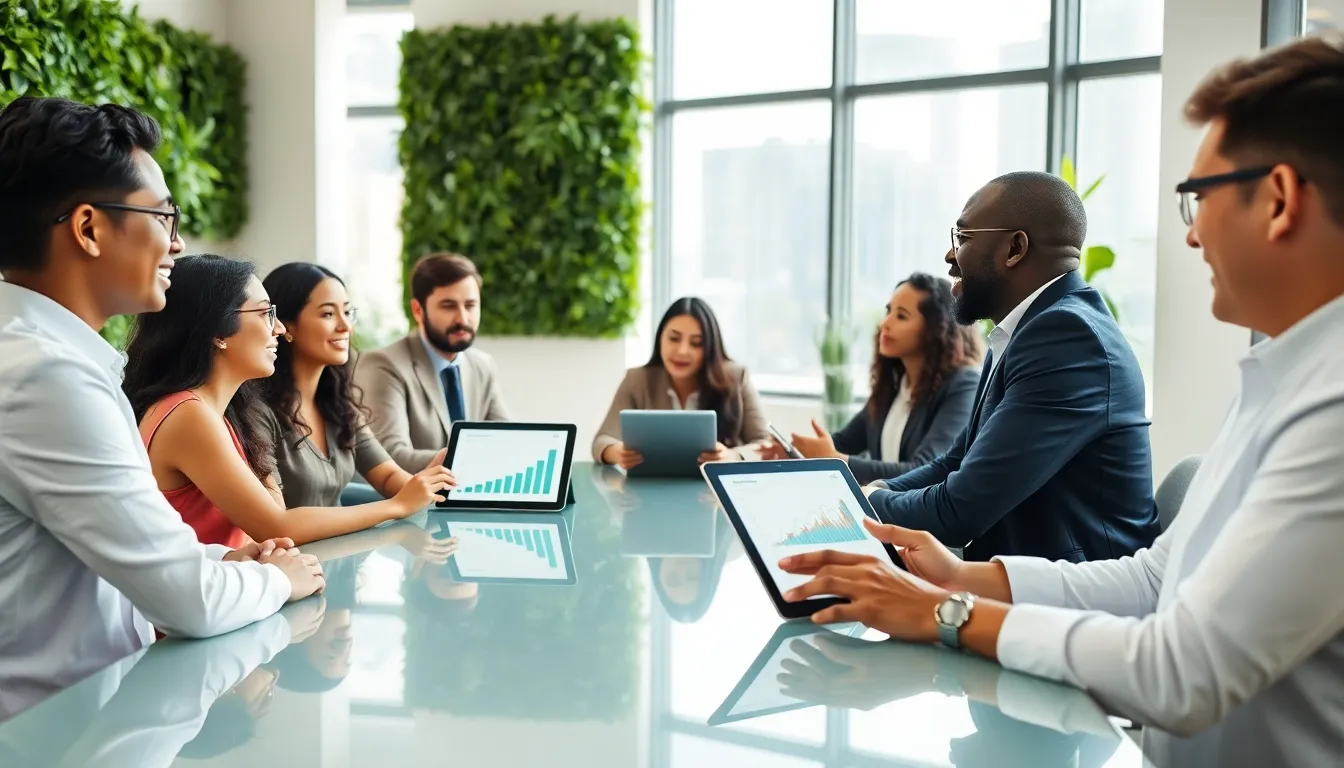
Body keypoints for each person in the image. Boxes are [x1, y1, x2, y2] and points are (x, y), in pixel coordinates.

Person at [779, 37, 1344, 767]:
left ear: (1279, 200)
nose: (1193, 233)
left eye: (1198, 197)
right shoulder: (1280, 380)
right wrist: (961, 577)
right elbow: (1154, 577)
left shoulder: (1329, 409)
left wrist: (949, 612)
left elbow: (1184, 671)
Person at [0, 97, 323, 719]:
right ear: (89, 228)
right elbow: (187, 602)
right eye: (163, 216)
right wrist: (277, 579)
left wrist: (224, 561)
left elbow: (119, 551)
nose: (178, 243)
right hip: (57, 733)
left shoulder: (51, 359)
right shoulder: (46, 377)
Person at [864, 172, 1159, 562]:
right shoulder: (1022, 331)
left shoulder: (1066, 337)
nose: (950, 255)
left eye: (963, 237)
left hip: (1074, 589)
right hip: (1021, 577)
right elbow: (956, 461)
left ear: (1014, 248)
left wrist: (862, 504)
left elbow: (960, 509)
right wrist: (878, 491)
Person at [121, 254, 456, 547]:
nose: (278, 328)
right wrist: (397, 505)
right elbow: (277, 526)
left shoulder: (221, 413)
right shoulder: (188, 416)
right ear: (219, 332)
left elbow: (270, 520)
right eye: (266, 314)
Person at [760, 272, 982, 484]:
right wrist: (796, 452)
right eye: (888, 311)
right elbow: (844, 442)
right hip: (883, 505)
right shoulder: (897, 384)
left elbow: (924, 470)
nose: (885, 323)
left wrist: (837, 460)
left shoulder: (964, 385)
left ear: (935, 329)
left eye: (901, 316)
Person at [259, 262, 438, 509]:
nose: (345, 326)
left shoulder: (337, 404)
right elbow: (277, 521)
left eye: (347, 312)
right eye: (328, 314)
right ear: (285, 325)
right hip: (301, 537)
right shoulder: (259, 412)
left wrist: (430, 484)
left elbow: (387, 476)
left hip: (350, 535)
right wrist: (394, 507)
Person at [356, 252, 512, 471]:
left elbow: (507, 438)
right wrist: (472, 460)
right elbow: (390, 455)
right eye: (448, 306)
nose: (462, 318)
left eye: (470, 305)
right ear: (418, 311)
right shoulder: (384, 365)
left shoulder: (482, 365)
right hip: (414, 492)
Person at [593, 297, 769, 467]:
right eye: (674, 339)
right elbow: (602, 440)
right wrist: (617, 452)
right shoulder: (638, 379)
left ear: (710, 348)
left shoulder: (736, 378)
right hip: (654, 484)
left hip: (714, 485)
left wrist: (730, 456)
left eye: (696, 343)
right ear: (660, 338)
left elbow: (767, 445)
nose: (683, 351)